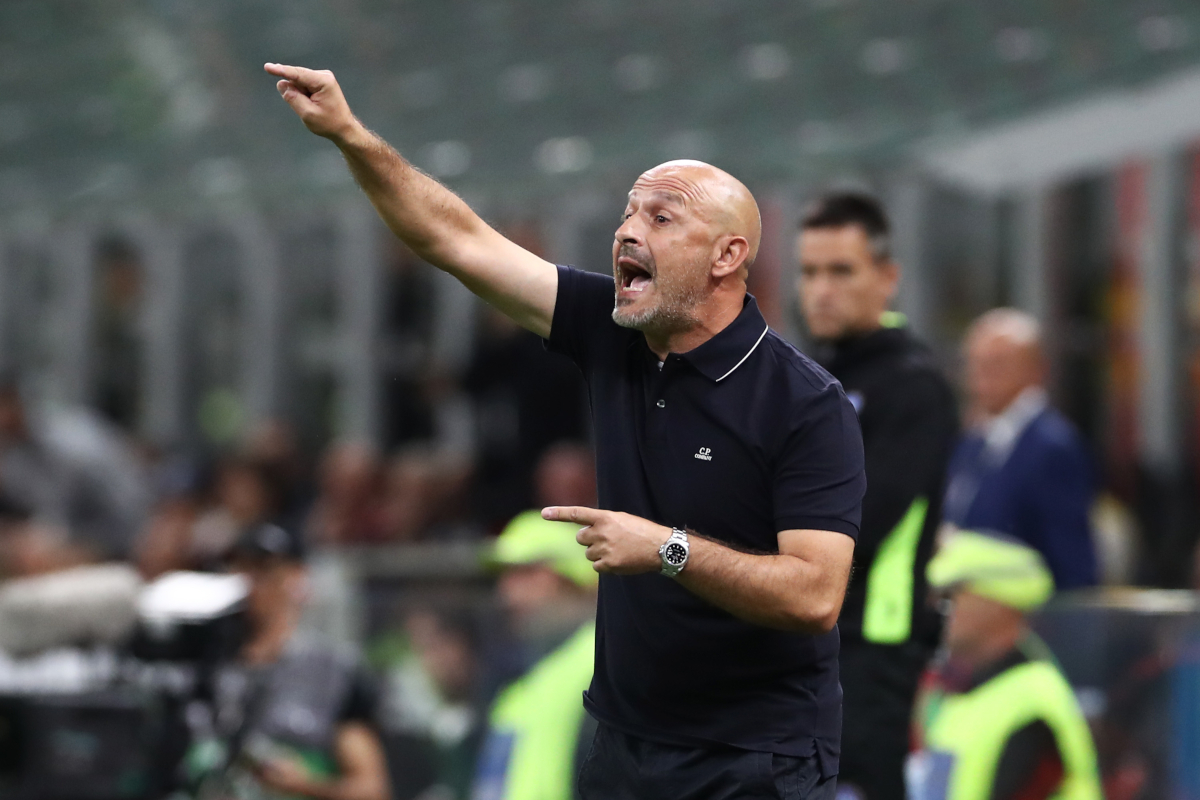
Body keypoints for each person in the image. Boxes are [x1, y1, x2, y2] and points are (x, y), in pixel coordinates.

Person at [266, 62, 865, 799]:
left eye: (660, 218)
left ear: (728, 256)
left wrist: (666, 550)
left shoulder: (805, 403)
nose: (626, 233)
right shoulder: (610, 331)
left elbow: (814, 596)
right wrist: (353, 138)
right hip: (626, 748)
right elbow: (455, 240)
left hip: (755, 758)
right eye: (627, 213)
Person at [795, 192, 959, 800]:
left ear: (887, 278)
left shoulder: (913, 386)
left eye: (842, 270)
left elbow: (864, 520)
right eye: (810, 271)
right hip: (807, 638)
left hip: (873, 647)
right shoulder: (809, 375)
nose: (821, 290)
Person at [190, 523, 390, 800]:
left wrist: (305, 785)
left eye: (264, 571)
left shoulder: (332, 672)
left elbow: (372, 790)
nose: (249, 584)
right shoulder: (205, 663)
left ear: (298, 579)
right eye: (240, 570)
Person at [908, 530, 1102, 800]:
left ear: (997, 601)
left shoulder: (1031, 702)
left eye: (952, 593)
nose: (937, 606)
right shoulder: (970, 693)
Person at [942, 309, 1097, 590]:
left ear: (1036, 368)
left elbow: (1070, 558)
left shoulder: (1051, 446)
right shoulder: (974, 439)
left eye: (997, 364)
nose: (981, 376)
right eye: (975, 364)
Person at [473, 510, 598, 800]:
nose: (506, 595)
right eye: (505, 577)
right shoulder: (520, 688)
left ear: (571, 578)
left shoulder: (606, 666)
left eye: (525, 573)